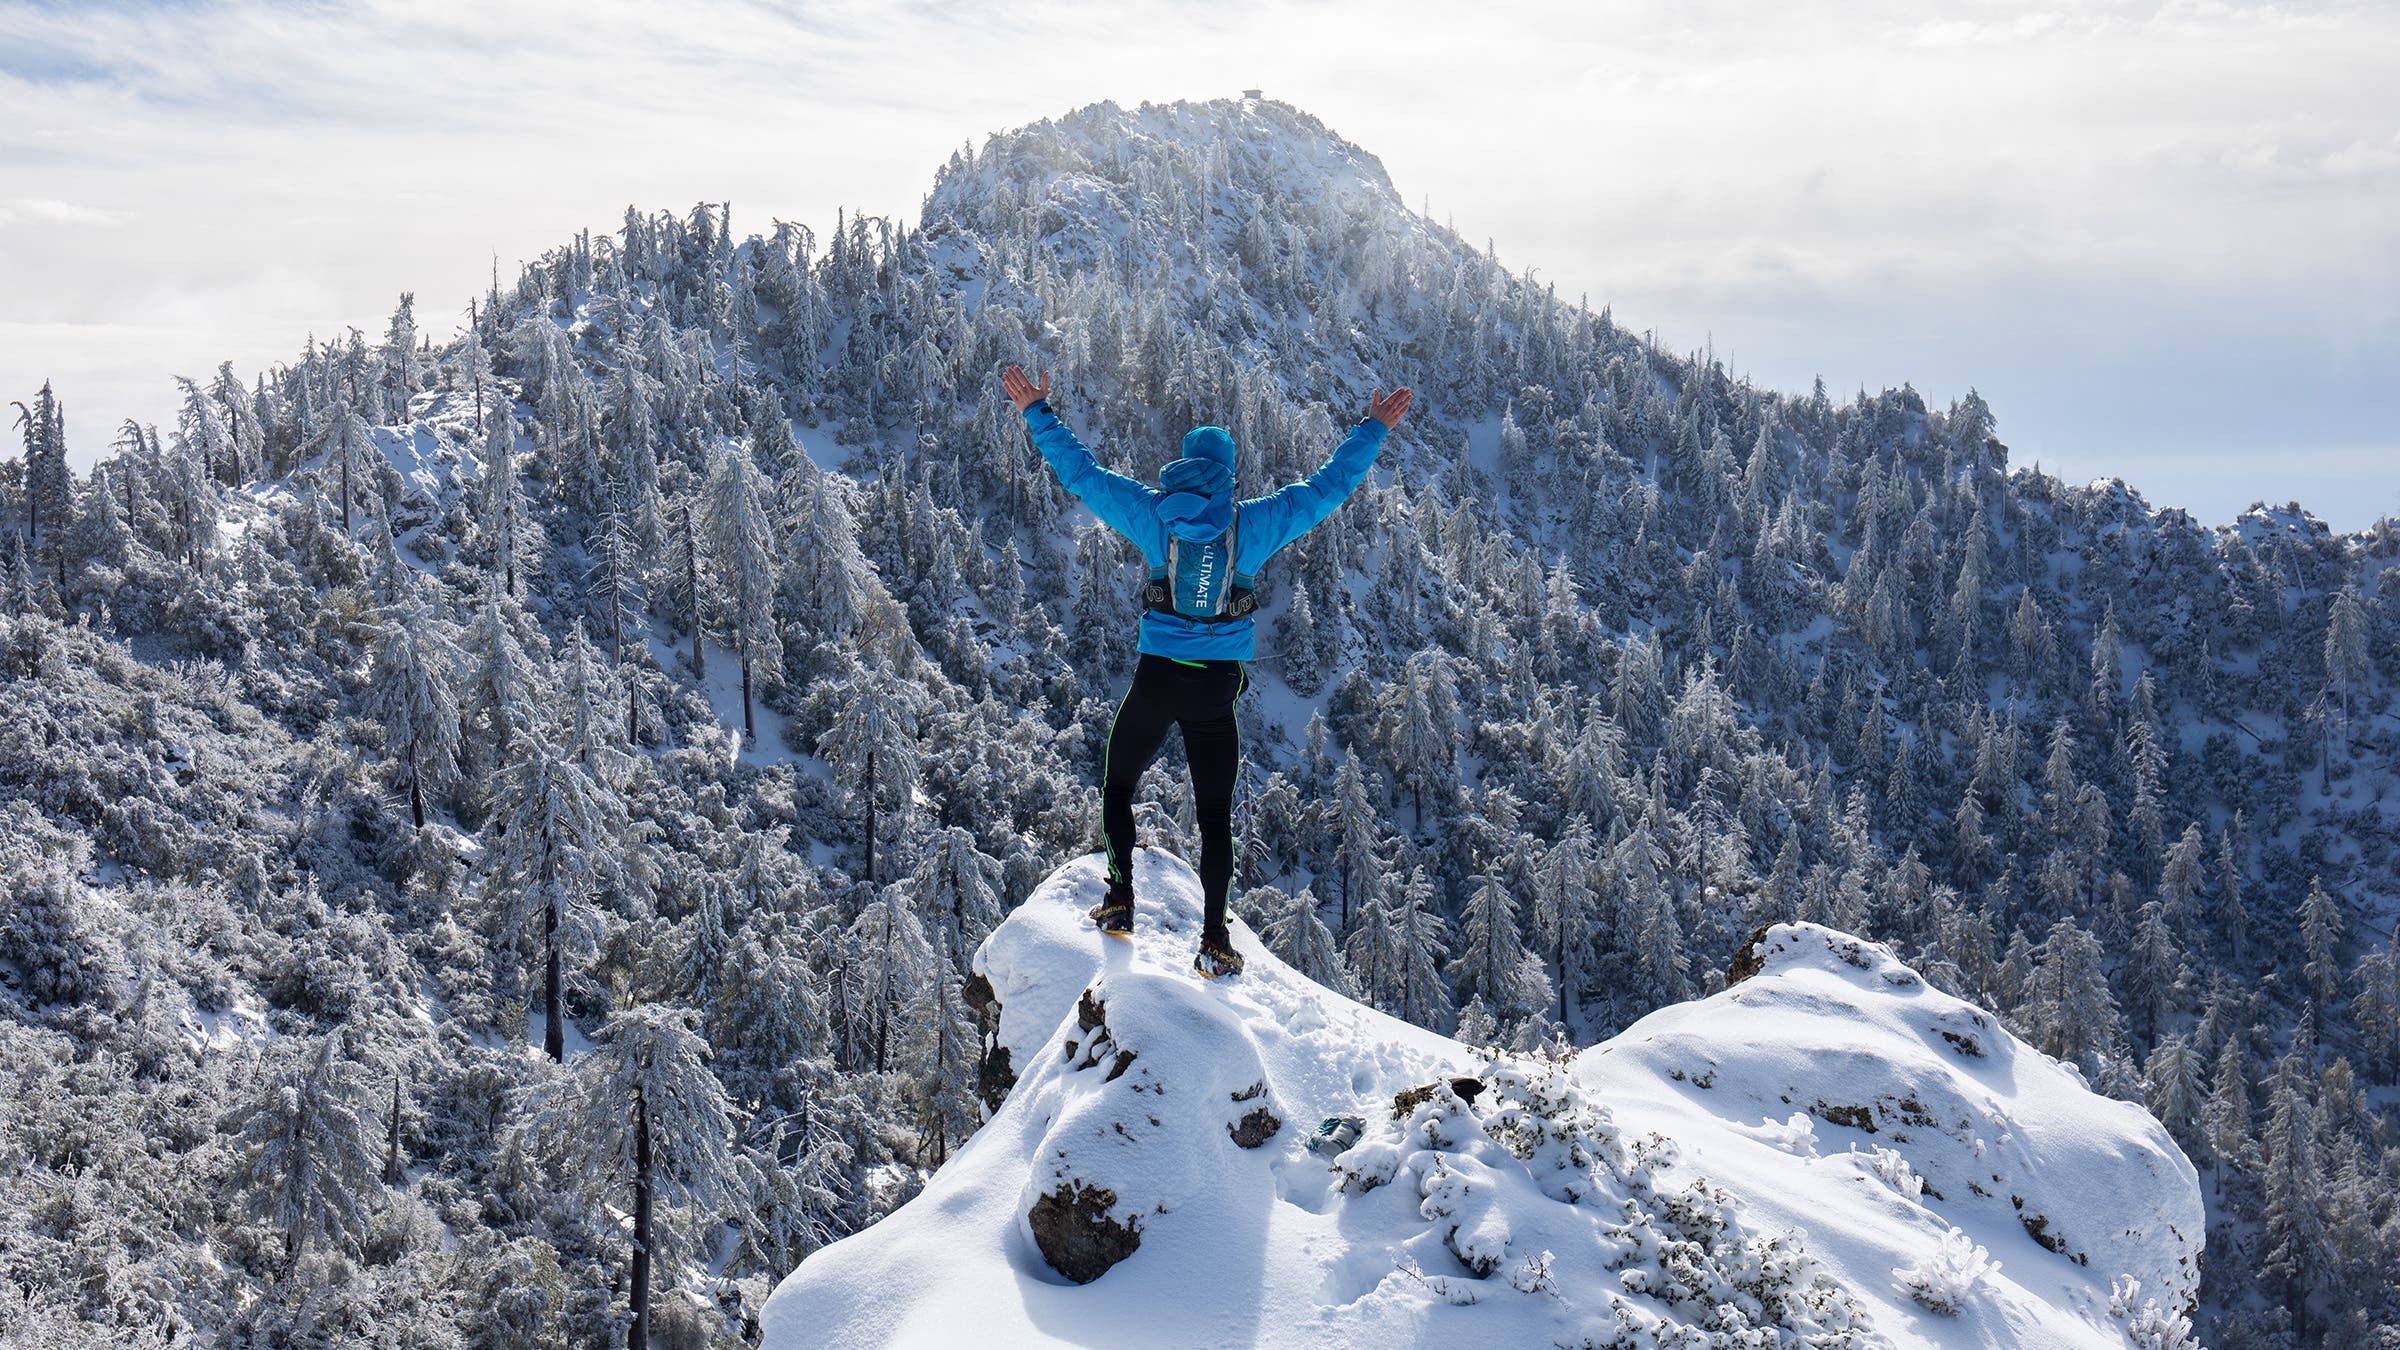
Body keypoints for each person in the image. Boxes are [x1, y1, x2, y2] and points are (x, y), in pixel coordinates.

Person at [1001, 365, 1414, 977]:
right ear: (1227, 474)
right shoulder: (1254, 523)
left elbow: (1082, 476)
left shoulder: (1152, 514)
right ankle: (1214, 938)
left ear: (1184, 466)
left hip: (1158, 675)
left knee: (1118, 785)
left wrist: (1039, 412)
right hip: (1215, 687)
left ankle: (1119, 900)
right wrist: (1372, 431)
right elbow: (1328, 488)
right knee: (1215, 813)